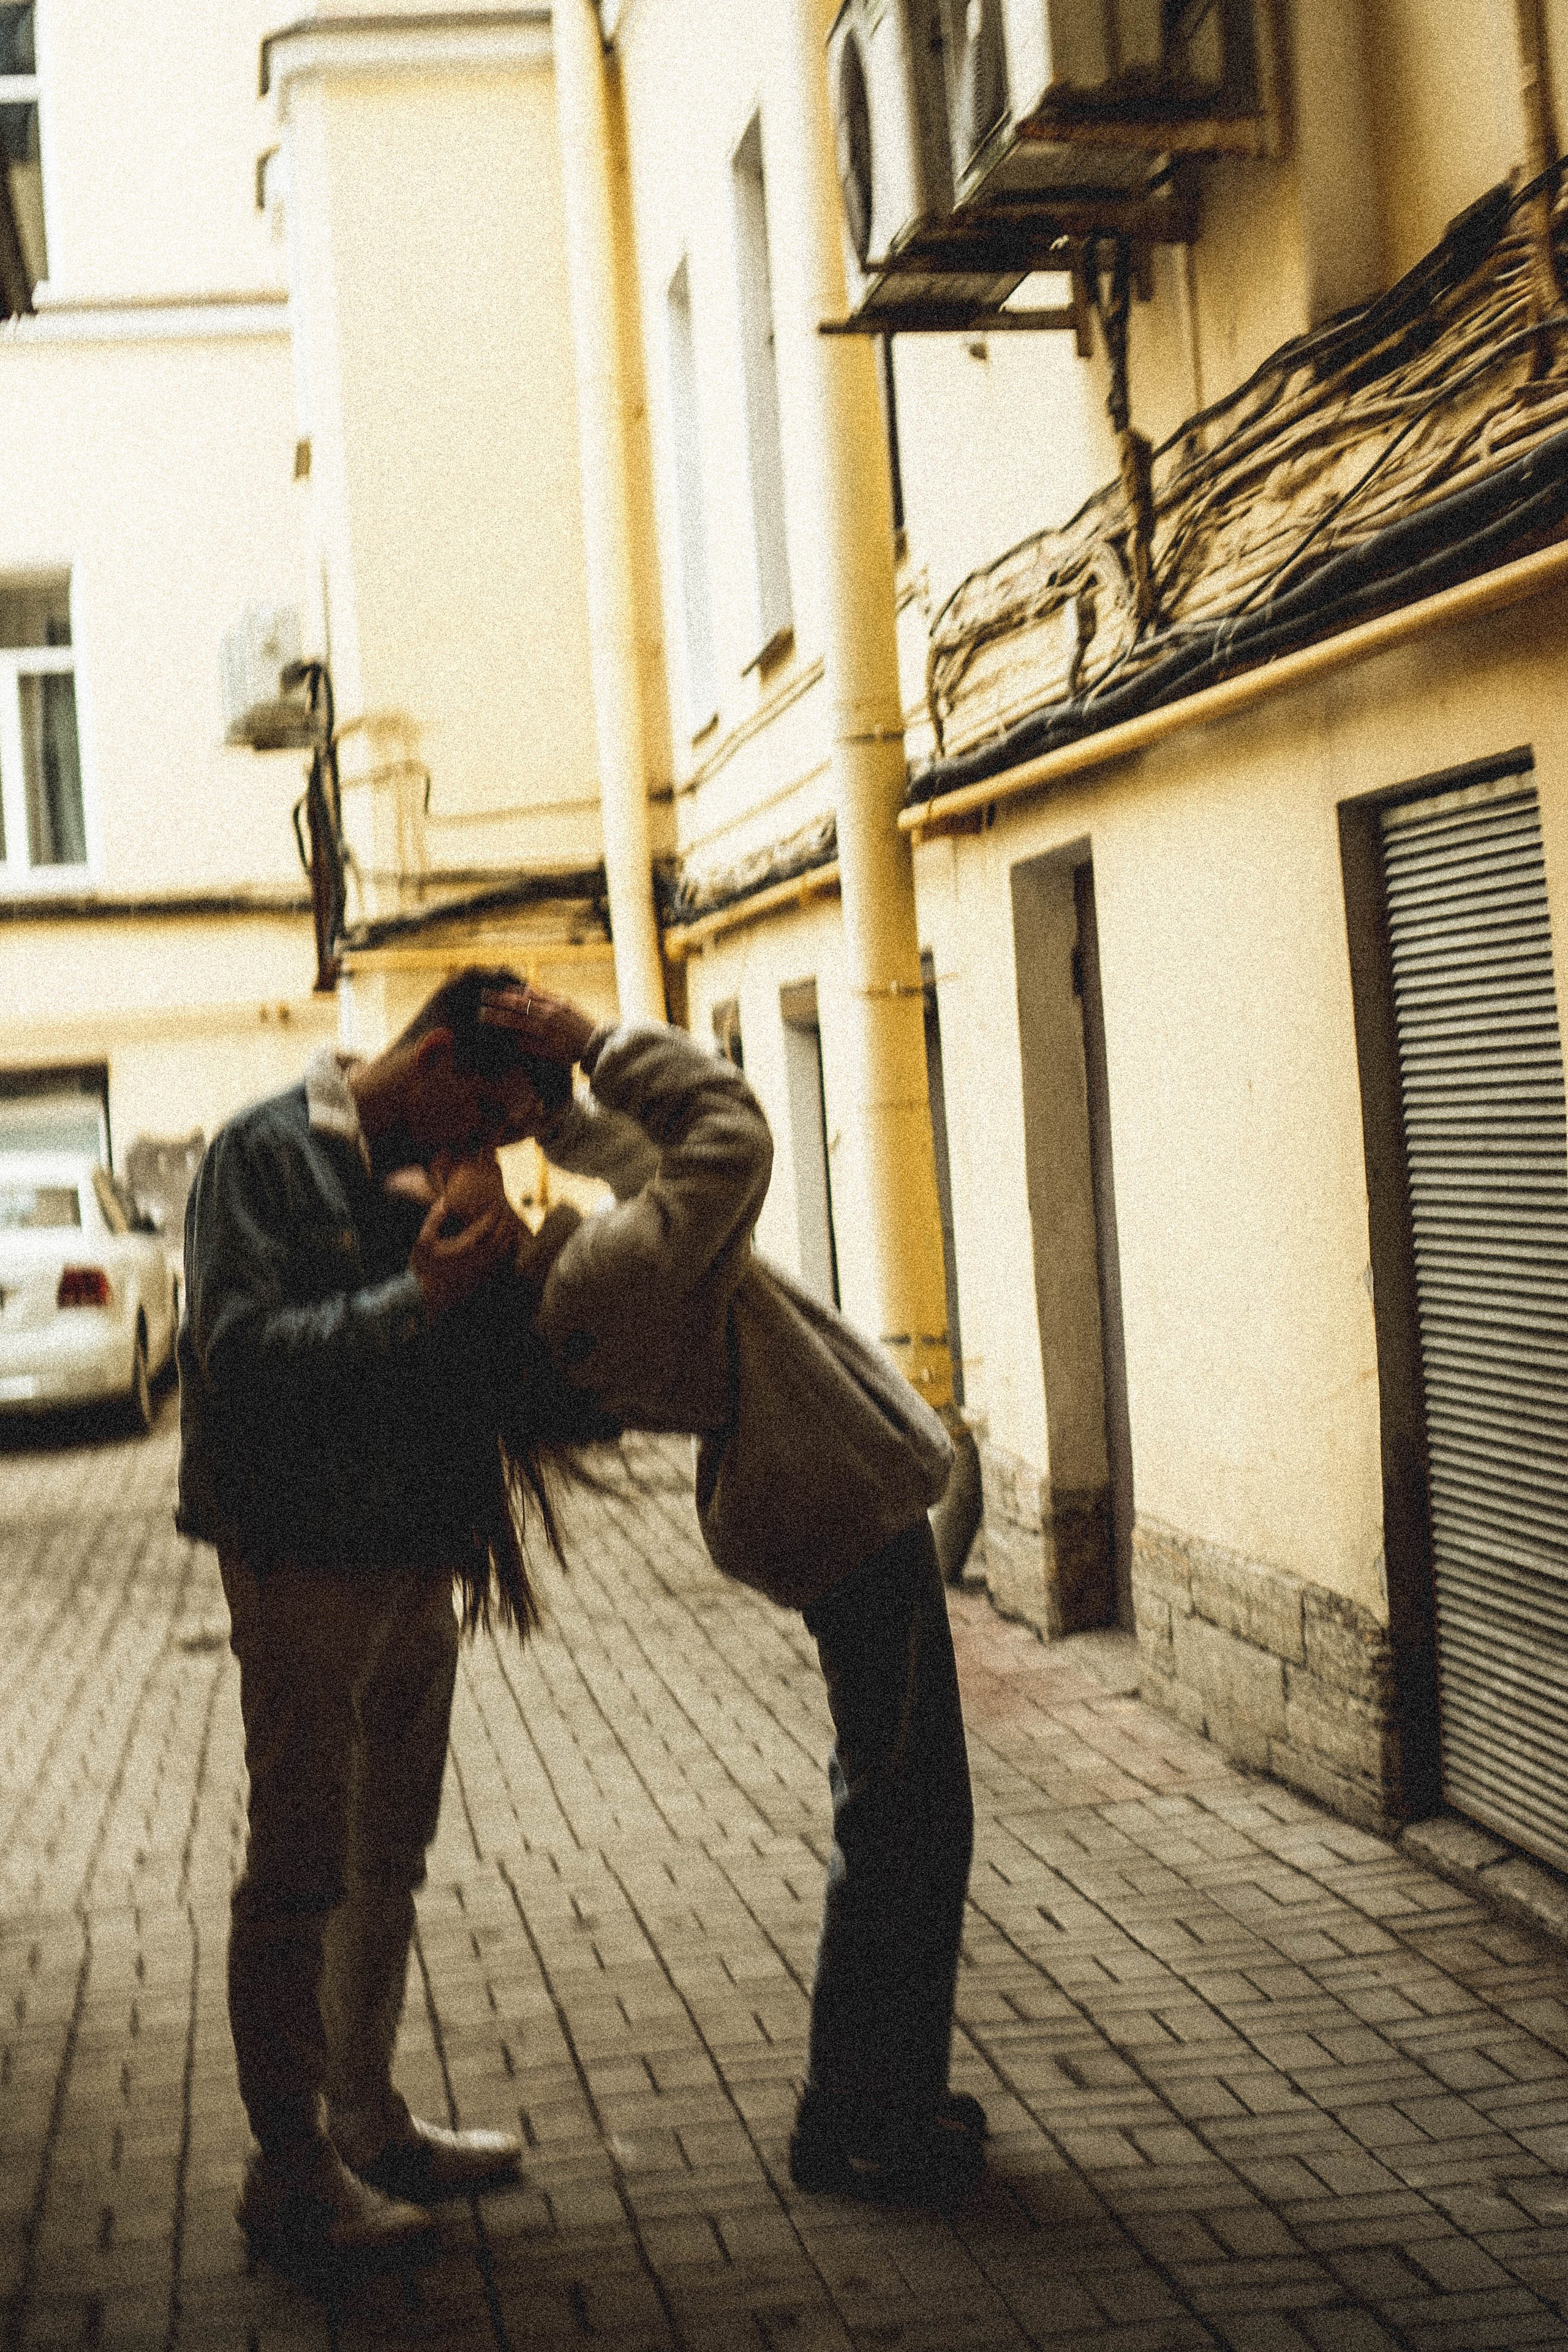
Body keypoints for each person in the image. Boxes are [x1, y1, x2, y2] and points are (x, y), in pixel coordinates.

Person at [467, 982, 985, 2206]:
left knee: (903, 1807)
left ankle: (880, 2095)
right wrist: (594, 1038)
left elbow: (655, 1174)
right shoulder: (584, 1288)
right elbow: (724, 1141)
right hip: (837, 1504)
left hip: (819, 1498)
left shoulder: (566, 1286)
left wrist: (556, 1116)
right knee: (905, 1818)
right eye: (440, 1179)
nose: (463, 1170)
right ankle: (857, 2116)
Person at [175, 969, 580, 2268]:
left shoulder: (409, 1174)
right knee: (297, 1859)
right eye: (489, 1124)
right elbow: (238, 1358)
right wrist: (419, 1297)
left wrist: (479, 1272)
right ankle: (287, 2173)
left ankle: (366, 2120)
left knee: (385, 1851)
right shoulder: (262, 1155)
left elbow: (456, 1364)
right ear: (442, 1067)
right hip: (301, 1557)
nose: (486, 1151)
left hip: (408, 1555)